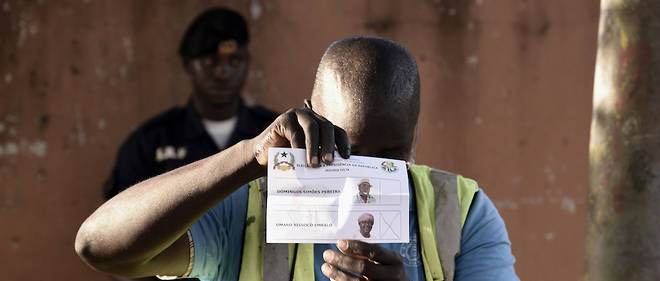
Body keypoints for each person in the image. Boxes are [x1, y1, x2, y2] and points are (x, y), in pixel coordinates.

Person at [76, 36, 519, 281]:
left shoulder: (459, 211)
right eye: (344, 152)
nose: (362, 177)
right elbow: (98, 246)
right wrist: (249, 156)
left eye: (389, 157)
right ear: (311, 117)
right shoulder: (250, 204)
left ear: (415, 136)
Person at [103, 7, 278, 200]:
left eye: (235, 61)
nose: (223, 73)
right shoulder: (151, 142)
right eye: (210, 62)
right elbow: (120, 217)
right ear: (188, 65)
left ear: (247, 63)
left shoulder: (272, 133)